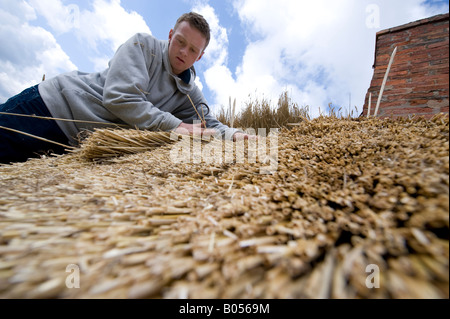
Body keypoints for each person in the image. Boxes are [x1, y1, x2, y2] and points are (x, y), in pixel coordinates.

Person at [0, 12, 252, 164]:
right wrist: (174, 125)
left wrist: (235, 135)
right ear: (170, 35)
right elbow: (120, 98)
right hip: (51, 108)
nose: (183, 52)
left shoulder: (188, 93)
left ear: (200, 57)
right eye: (180, 42)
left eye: (193, 50)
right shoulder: (143, 46)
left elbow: (209, 126)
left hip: (75, 141)